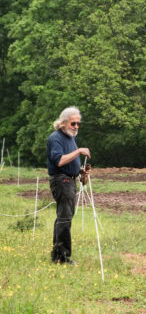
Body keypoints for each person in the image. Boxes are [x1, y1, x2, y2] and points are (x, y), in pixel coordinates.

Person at [46, 107, 91, 264]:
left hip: (70, 179)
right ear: (64, 122)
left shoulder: (70, 137)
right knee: (64, 217)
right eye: (73, 123)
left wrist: (80, 171)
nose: (76, 126)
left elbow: (69, 161)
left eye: (78, 123)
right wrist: (78, 151)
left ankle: (58, 254)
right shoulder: (55, 138)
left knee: (65, 217)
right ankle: (61, 257)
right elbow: (59, 161)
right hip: (61, 181)